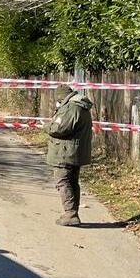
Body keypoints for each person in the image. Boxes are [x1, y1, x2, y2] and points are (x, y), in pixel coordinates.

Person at [46, 85, 94, 227]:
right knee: (72, 182)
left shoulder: (72, 108)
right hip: (75, 151)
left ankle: (70, 214)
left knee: (62, 181)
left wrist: (48, 127)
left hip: (66, 152)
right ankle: (73, 212)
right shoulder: (81, 106)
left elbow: (59, 128)